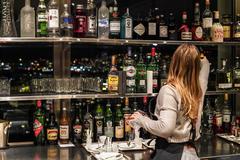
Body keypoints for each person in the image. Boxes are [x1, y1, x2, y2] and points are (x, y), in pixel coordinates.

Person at [128, 44, 210, 160]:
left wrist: (141, 120)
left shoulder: (169, 90)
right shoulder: (196, 90)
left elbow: (165, 129)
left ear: (175, 63)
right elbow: (205, 65)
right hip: (189, 152)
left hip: (171, 153)